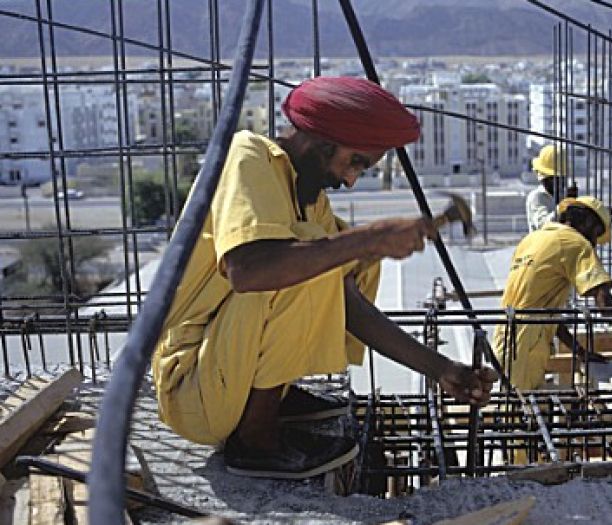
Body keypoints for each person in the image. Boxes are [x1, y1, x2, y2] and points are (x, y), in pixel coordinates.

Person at [152, 76, 498, 479]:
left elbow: (349, 302)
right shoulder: (246, 156)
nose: (351, 180)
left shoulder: (307, 197)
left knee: (350, 258)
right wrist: (367, 237)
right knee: (317, 257)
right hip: (193, 387)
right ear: (321, 141)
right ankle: (254, 439)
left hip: (225, 375)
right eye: (355, 163)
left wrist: (440, 369)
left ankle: (271, 397)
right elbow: (249, 270)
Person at [494, 196, 612, 391]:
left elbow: (544, 311)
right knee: (522, 410)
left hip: (505, 334)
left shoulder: (532, 239)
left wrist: (579, 351)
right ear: (586, 221)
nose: (593, 243)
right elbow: (603, 299)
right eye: (595, 234)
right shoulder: (575, 243)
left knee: (514, 406)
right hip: (528, 346)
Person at [525, 144, 576, 232]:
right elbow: (544, 225)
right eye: (552, 179)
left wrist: (575, 206)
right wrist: (564, 206)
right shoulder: (537, 197)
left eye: (562, 179)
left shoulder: (562, 197)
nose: (560, 183)